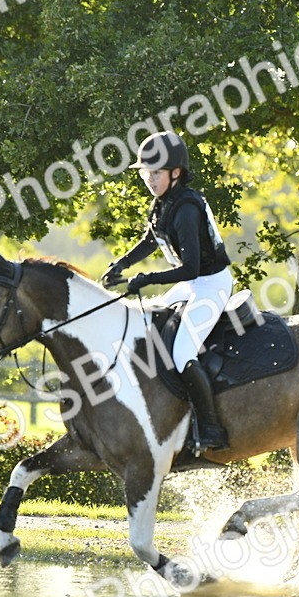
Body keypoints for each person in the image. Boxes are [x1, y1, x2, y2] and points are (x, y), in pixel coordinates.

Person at [101, 131, 234, 451]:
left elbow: (190, 268)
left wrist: (146, 279)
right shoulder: (163, 203)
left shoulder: (186, 208)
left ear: (176, 173)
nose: (149, 179)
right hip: (192, 283)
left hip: (211, 285)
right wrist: (121, 264)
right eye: (146, 172)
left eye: (155, 173)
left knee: (182, 352)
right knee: (146, 327)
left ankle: (212, 428)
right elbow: (150, 241)